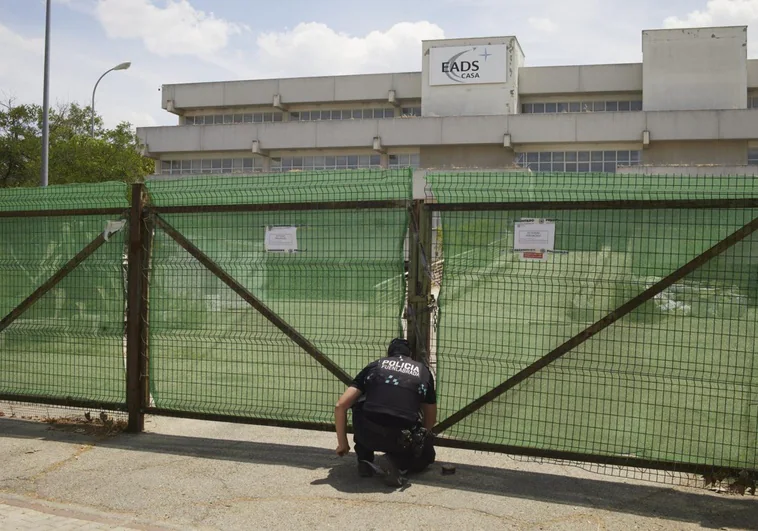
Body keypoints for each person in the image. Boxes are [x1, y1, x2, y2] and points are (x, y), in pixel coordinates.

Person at [334, 338, 437, 486]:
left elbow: (340, 406)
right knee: (427, 457)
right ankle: (399, 463)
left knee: (360, 402)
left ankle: (365, 460)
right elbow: (431, 418)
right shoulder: (423, 372)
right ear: (410, 356)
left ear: (389, 354)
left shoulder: (375, 366)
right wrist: (421, 438)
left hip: (367, 435)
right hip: (401, 439)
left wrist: (342, 444)